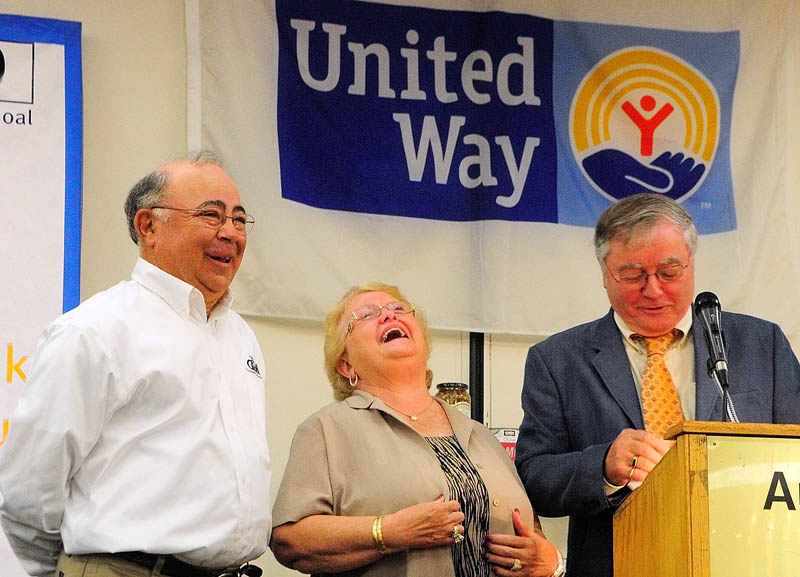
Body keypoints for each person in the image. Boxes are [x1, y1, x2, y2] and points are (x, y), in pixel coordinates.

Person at [0, 151, 270, 577]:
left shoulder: (241, 337)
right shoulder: (96, 330)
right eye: (211, 216)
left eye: (239, 219)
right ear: (149, 227)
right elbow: (27, 488)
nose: (231, 233)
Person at [515, 193, 800, 577]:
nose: (653, 289)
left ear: (692, 263)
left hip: (751, 558)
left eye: (670, 272)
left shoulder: (760, 344)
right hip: (620, 563)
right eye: (633, 275)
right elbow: (534, 476)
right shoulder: (558, 360)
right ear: (604, 270)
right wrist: (602, 466)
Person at [270, 283, 566, 577]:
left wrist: (550, 561)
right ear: (346, 364)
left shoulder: (480, 434)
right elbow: (290, 540)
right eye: (366, 315)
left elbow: (531, 530)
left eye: (398, 309)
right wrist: (387, 533)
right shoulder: (326, 430)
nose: (389, 316)